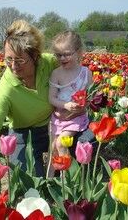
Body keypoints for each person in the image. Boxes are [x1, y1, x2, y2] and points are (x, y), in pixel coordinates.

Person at [0, 19, 59, 177]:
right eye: (9, 59)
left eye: (20, 60)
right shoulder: (6, 87)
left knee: (84, 146)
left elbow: (75, 72)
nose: (13, 66)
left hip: (55, 127)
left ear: (35, 56)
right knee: (30, 177)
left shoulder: (49, 64)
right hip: (24, 133)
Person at [48, 31, 93, 174]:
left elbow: (90, 96)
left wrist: (81, 106)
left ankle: (70, 177)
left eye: (67, 54)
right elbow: (52, 98)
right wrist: (65, 105)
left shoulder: (85, 73)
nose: (62, 58)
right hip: (57, 119)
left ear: (79, 52)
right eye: (59, 55)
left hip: (76, 118)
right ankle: (48, 181)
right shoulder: (56, 73)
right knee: (53, 148)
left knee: (61, 143)